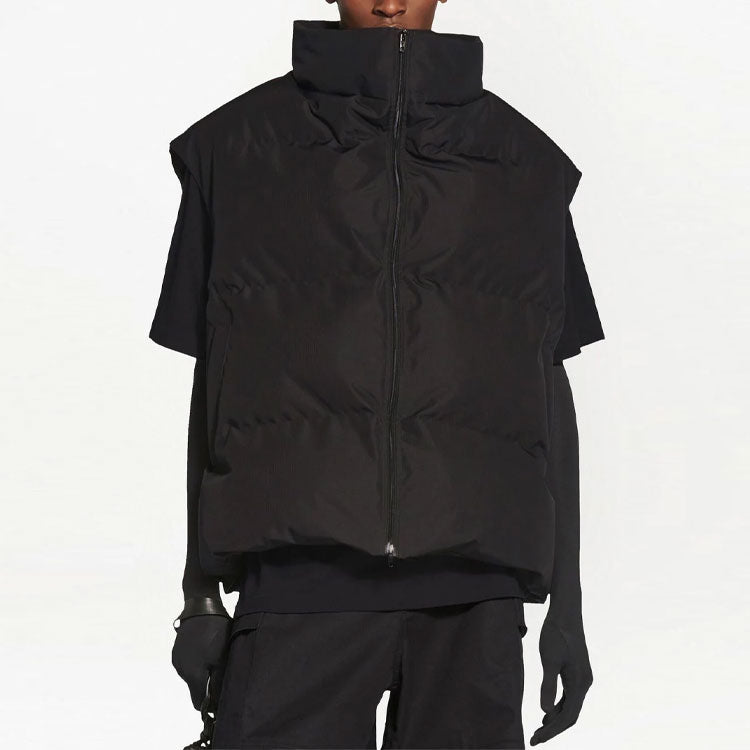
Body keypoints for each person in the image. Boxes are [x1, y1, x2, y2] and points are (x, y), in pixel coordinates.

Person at [150, 2, 605, 748]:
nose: (389, 1)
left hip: (475, 595)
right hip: (298, 585)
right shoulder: (233, 149)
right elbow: (215, 384)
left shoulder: (527, 163)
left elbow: (548, 389)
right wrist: (199, 594)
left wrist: (568, 606)